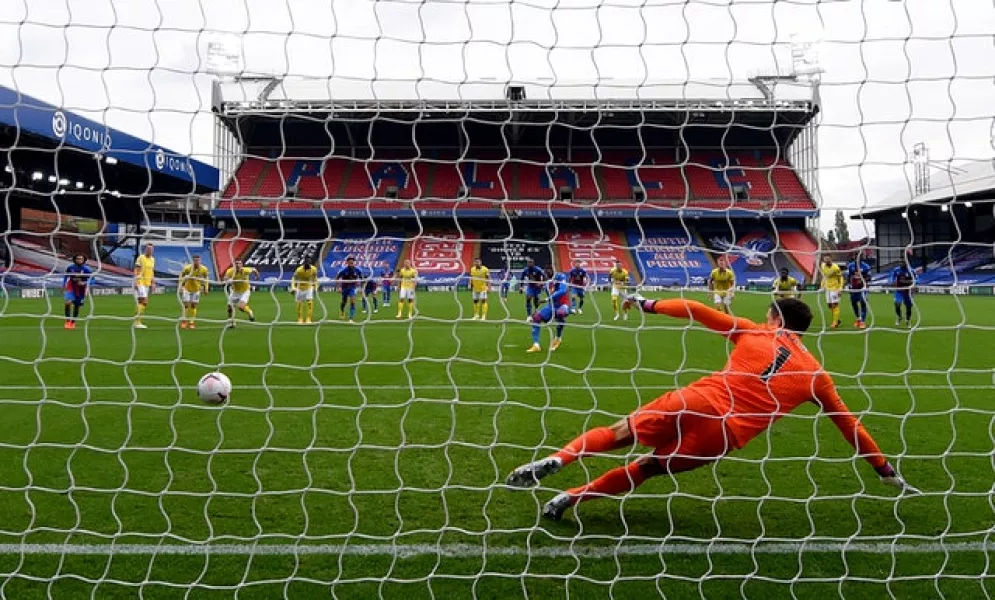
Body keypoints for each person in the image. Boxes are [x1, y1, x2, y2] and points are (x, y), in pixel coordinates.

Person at [505, 294, 920, 521]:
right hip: (724, 434)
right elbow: (850, 426)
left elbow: (699, 311)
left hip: (699, 398)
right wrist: (884, 469)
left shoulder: (755, 331)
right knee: (647, 468)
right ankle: (570, 498)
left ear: (775, 319)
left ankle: (559, 460)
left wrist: (649, 304)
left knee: (619, 433)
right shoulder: (816, 375)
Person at [527, 273, 572, 353]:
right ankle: (536, 345)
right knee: (536, 318)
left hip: (563, 305)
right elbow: (539, 288)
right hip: (551, 306)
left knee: (560, 313)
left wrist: (547, 299)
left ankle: (558, 338)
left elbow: (562, 291)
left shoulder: (562, 281)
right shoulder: (548, 283)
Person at [222, 260, 258, 327]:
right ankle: (232, 323)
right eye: (236, 263)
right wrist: (227, 280)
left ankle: (250, 312)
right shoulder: (230, 271)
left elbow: (254, 270)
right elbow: (225, 278)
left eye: (239, 263)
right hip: (235, 291)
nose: (237, 265)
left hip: (245, 291)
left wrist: (257, 277)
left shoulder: (246, 270)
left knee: (241, 307)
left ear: (241, 265)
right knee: (229, 308)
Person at [179, 254, 210, 329]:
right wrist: (180, 286)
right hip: (187, 289)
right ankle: (184, 321)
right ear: (193, 261)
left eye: (198, 260)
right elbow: (181, 275)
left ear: (200, 260)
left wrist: (206, 288)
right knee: (185, 305)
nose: (196, 262)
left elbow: (206, 278)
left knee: (193, 306)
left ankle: (191, 322)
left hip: (197, 289)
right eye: (195, 260)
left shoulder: (204, 269)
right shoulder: (188, 268)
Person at [63, 253, 92, 330]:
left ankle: (73, 322)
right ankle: (67, 321)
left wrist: (84, 283)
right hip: (71, 286)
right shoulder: (70, 268)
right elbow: (65, 276)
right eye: (77, 259)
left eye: (81, 259)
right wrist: (63, 285)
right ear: (75, 260)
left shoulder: (87, 269)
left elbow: (92, 279)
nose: (79, 260)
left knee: (76, 305)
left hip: (81, 289)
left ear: (84, 260)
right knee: (67, 302)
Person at [846, 253, 872, 329]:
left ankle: (863, 321)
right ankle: (858, 318)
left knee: (863, 302)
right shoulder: (851, 266)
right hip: (854, 288)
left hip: (863, 288)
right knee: (853, 303)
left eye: (859, 257)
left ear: (862, 258)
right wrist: (848, 284)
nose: (857, 258)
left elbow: (869, 277)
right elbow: (849, 276)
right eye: (856, 256)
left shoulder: (866, 266)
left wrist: (862, 280)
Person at [133, 243, 155, 329]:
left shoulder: (153, 259)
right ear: (145, 249)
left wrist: (153, 282)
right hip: (140, 282)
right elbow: (136, 269)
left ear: (153, 250)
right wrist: (135, 281)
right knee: (142, 300)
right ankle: (137, 322)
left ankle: (138, 321)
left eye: (150, 249)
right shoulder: (141, 258)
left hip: (147, 283)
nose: (149, 250)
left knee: (143, 303)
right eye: (147, 249)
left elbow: (152, 271)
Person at [819, 255, 844, 329]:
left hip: (835, 288)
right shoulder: (823, 266)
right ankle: (837, 319)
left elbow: (841, 278)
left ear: (831, 259)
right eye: (825, 259)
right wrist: (822, 286)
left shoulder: (836, 268)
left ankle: (835, 323)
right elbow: (824, 277)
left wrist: (840, 288)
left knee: (835, 305)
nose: (826, 260)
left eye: (828, 258)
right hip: (827, 288)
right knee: (829, 306)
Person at [291, 257, 319, 324]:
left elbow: (315, 278)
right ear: (304, 263)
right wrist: (293, 287)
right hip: (300, 288)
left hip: (309, 287)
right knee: (299, 304)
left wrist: (315, 287)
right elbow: (294, 278)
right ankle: (300, 318)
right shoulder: (299, 270)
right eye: (307, 263)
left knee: (310, 303)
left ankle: (308, 319)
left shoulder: (314, 269)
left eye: (309, 263)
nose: (308, 264)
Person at [336, 257, 362, 322]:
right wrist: (338, 287)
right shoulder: (343, 270)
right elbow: (337, 278)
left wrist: (362, 287)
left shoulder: (357, 270)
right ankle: (342, 311)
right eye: (350, 261)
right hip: (344, 287)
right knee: (344, 301)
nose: (351, 262)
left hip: (352, 287)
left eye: (352, 261)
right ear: (347, 262)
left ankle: (351, 318)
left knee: (352, 301)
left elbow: (362, 279)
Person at [891, 262, 916, 327]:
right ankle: (899, 317)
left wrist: (911, 283)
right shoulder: (896, 270)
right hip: (899, 291)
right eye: (901, 262)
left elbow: (917, 279)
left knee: (909, 306)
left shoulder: (911, 270)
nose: (902, 264)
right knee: (897, 303)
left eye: (904, 262)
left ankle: (907, 320)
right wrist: (892, 281)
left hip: (908, 291)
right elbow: (892, 277)